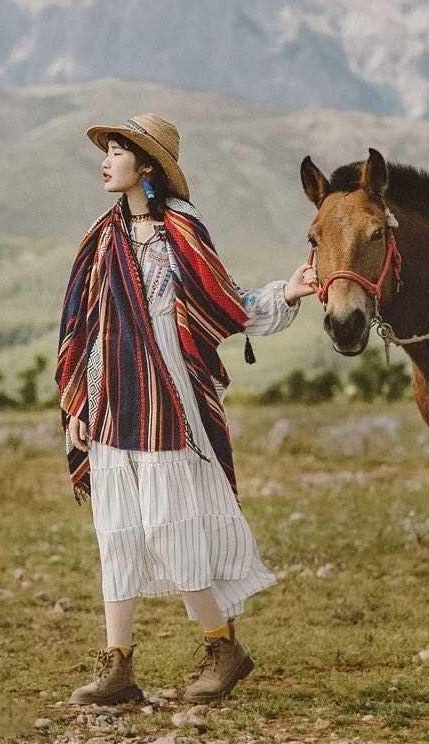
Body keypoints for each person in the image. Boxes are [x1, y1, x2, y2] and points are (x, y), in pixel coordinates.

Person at [55, 113, 317, 705]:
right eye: (108, 150)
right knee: (118, 534)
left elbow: (226, 302)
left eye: (119, 151)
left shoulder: (181, 232)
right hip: (111, 406)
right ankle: (117, 667)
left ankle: (224, 648)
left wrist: (289, 290)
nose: (107, 159)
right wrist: (79, 401)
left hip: (167, 405)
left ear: (146, 165)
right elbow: (84, 327)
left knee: (174, 532)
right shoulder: (102, 238)